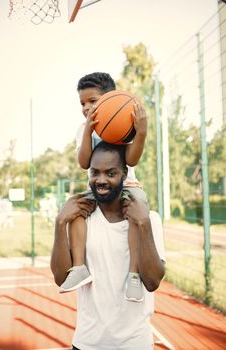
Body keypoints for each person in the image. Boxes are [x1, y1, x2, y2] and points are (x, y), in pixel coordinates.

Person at [50, 141, 166, 350]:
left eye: (110, 173)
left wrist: (144, 225)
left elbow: (152, 282)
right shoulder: (81, 221)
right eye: (95, 172)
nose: (101, 180)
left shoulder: (150, 220)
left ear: (124, 174)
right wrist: (60, 223)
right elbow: (60, 279)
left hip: (135, 345)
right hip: (87, 344)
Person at [59, 72, 148, 302]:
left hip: (126, 186)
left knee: (137, 211)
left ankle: (134, 275)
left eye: (93, 101)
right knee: (75, 208)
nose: (86, 107)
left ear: (111, 100)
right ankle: (79, 267)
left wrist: (141, 132)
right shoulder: (83, 130)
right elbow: (83, 162)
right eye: (82, 103)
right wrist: (89, 131)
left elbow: (132, 159)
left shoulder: (123, 123)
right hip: (98, 189)